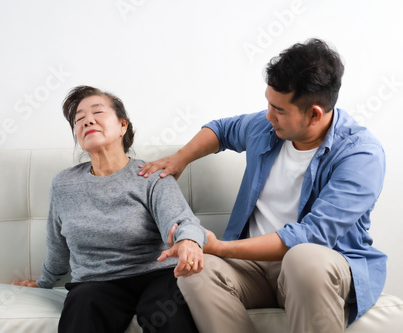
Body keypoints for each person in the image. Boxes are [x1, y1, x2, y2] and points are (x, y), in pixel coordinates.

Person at [139, 38, 387, 333]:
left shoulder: (361, 154)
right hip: (254, 269)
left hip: (317, 267)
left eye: (279, 110)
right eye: (268, 104)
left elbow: (311, 236)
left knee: (302, 258)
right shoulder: (266, 127)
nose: (268, 116)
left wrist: (222, 246)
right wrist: (181, 158)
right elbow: (221, 129)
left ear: (314, 114)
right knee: (194, 271)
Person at [12, 85, 206, 333]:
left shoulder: (151, 175)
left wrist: (189, 241)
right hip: (96, 283)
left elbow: (183, 221)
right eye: (79, 119)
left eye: (97, 113)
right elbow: (58, 249)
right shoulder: (64, 184)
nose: (87, 120)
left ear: (123, 125)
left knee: (165, 313)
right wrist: (44, 283)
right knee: (82, 308)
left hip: (156, 276)